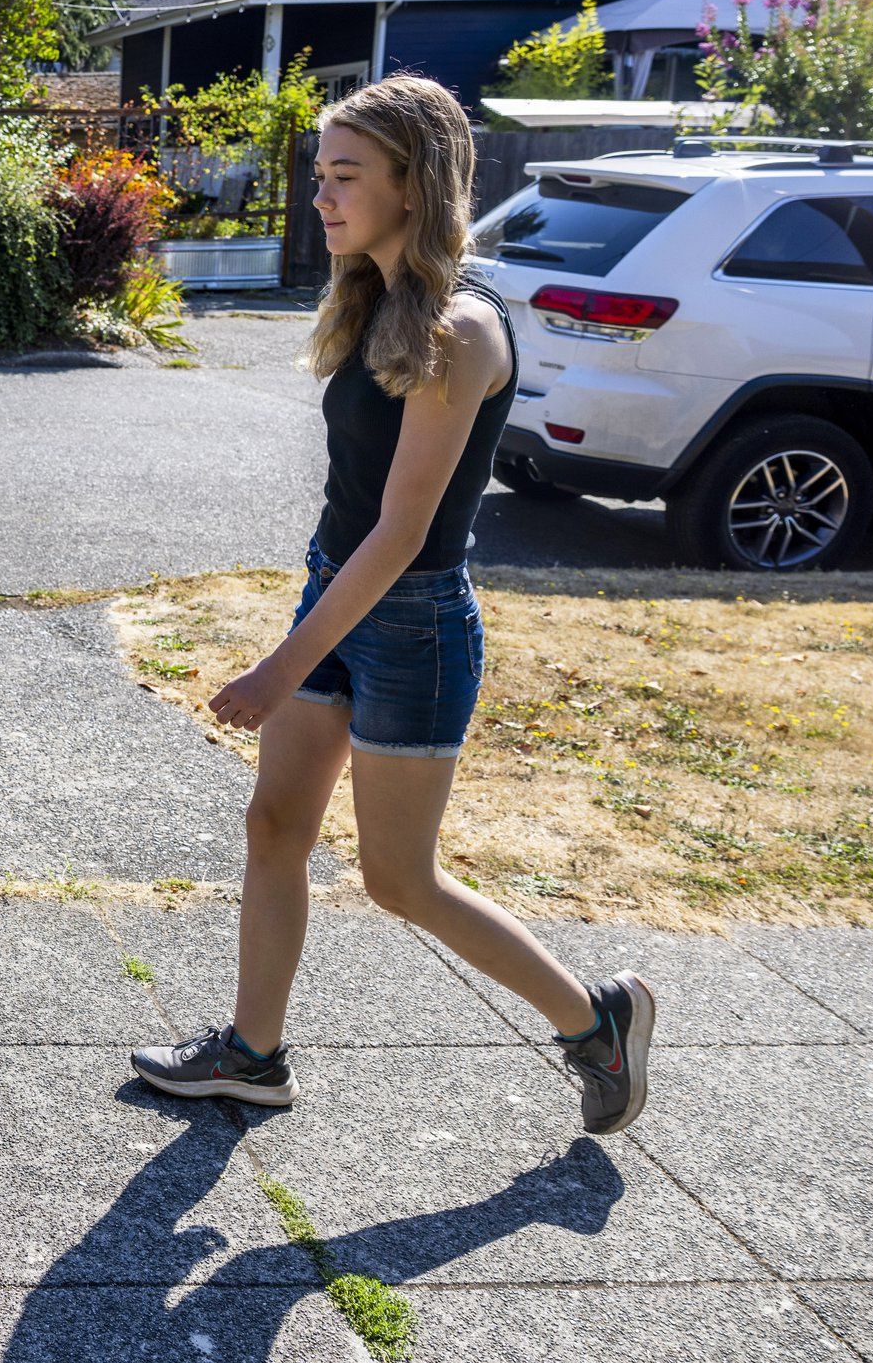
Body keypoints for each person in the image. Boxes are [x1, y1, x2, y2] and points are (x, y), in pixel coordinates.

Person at [129, 75, 654, 1135]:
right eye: (320, 175)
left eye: (346, 176)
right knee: (274, 823)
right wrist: (304, 632)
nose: (321, 197)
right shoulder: (375, 296)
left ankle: (595, 1020)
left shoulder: (462, 329)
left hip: (411, 624)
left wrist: (281, 664)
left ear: (413, 185)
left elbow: (406, 531)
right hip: (340, 587)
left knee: (400, 878)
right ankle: (252, 1054)